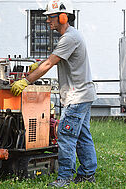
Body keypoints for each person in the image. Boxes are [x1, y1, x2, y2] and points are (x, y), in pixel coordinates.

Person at [10, 0, 97, 187]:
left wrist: (26, 80)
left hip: (77, 96)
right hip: (83, 94)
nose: (47, 21)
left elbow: (50, 63)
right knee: (82, 135)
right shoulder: (70, 36)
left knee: (65, 135)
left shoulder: (69, 38)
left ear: (63, 17)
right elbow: (52, 58)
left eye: (50, 17)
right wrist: (38, 63)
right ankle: (88, 174)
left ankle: (65, 177)